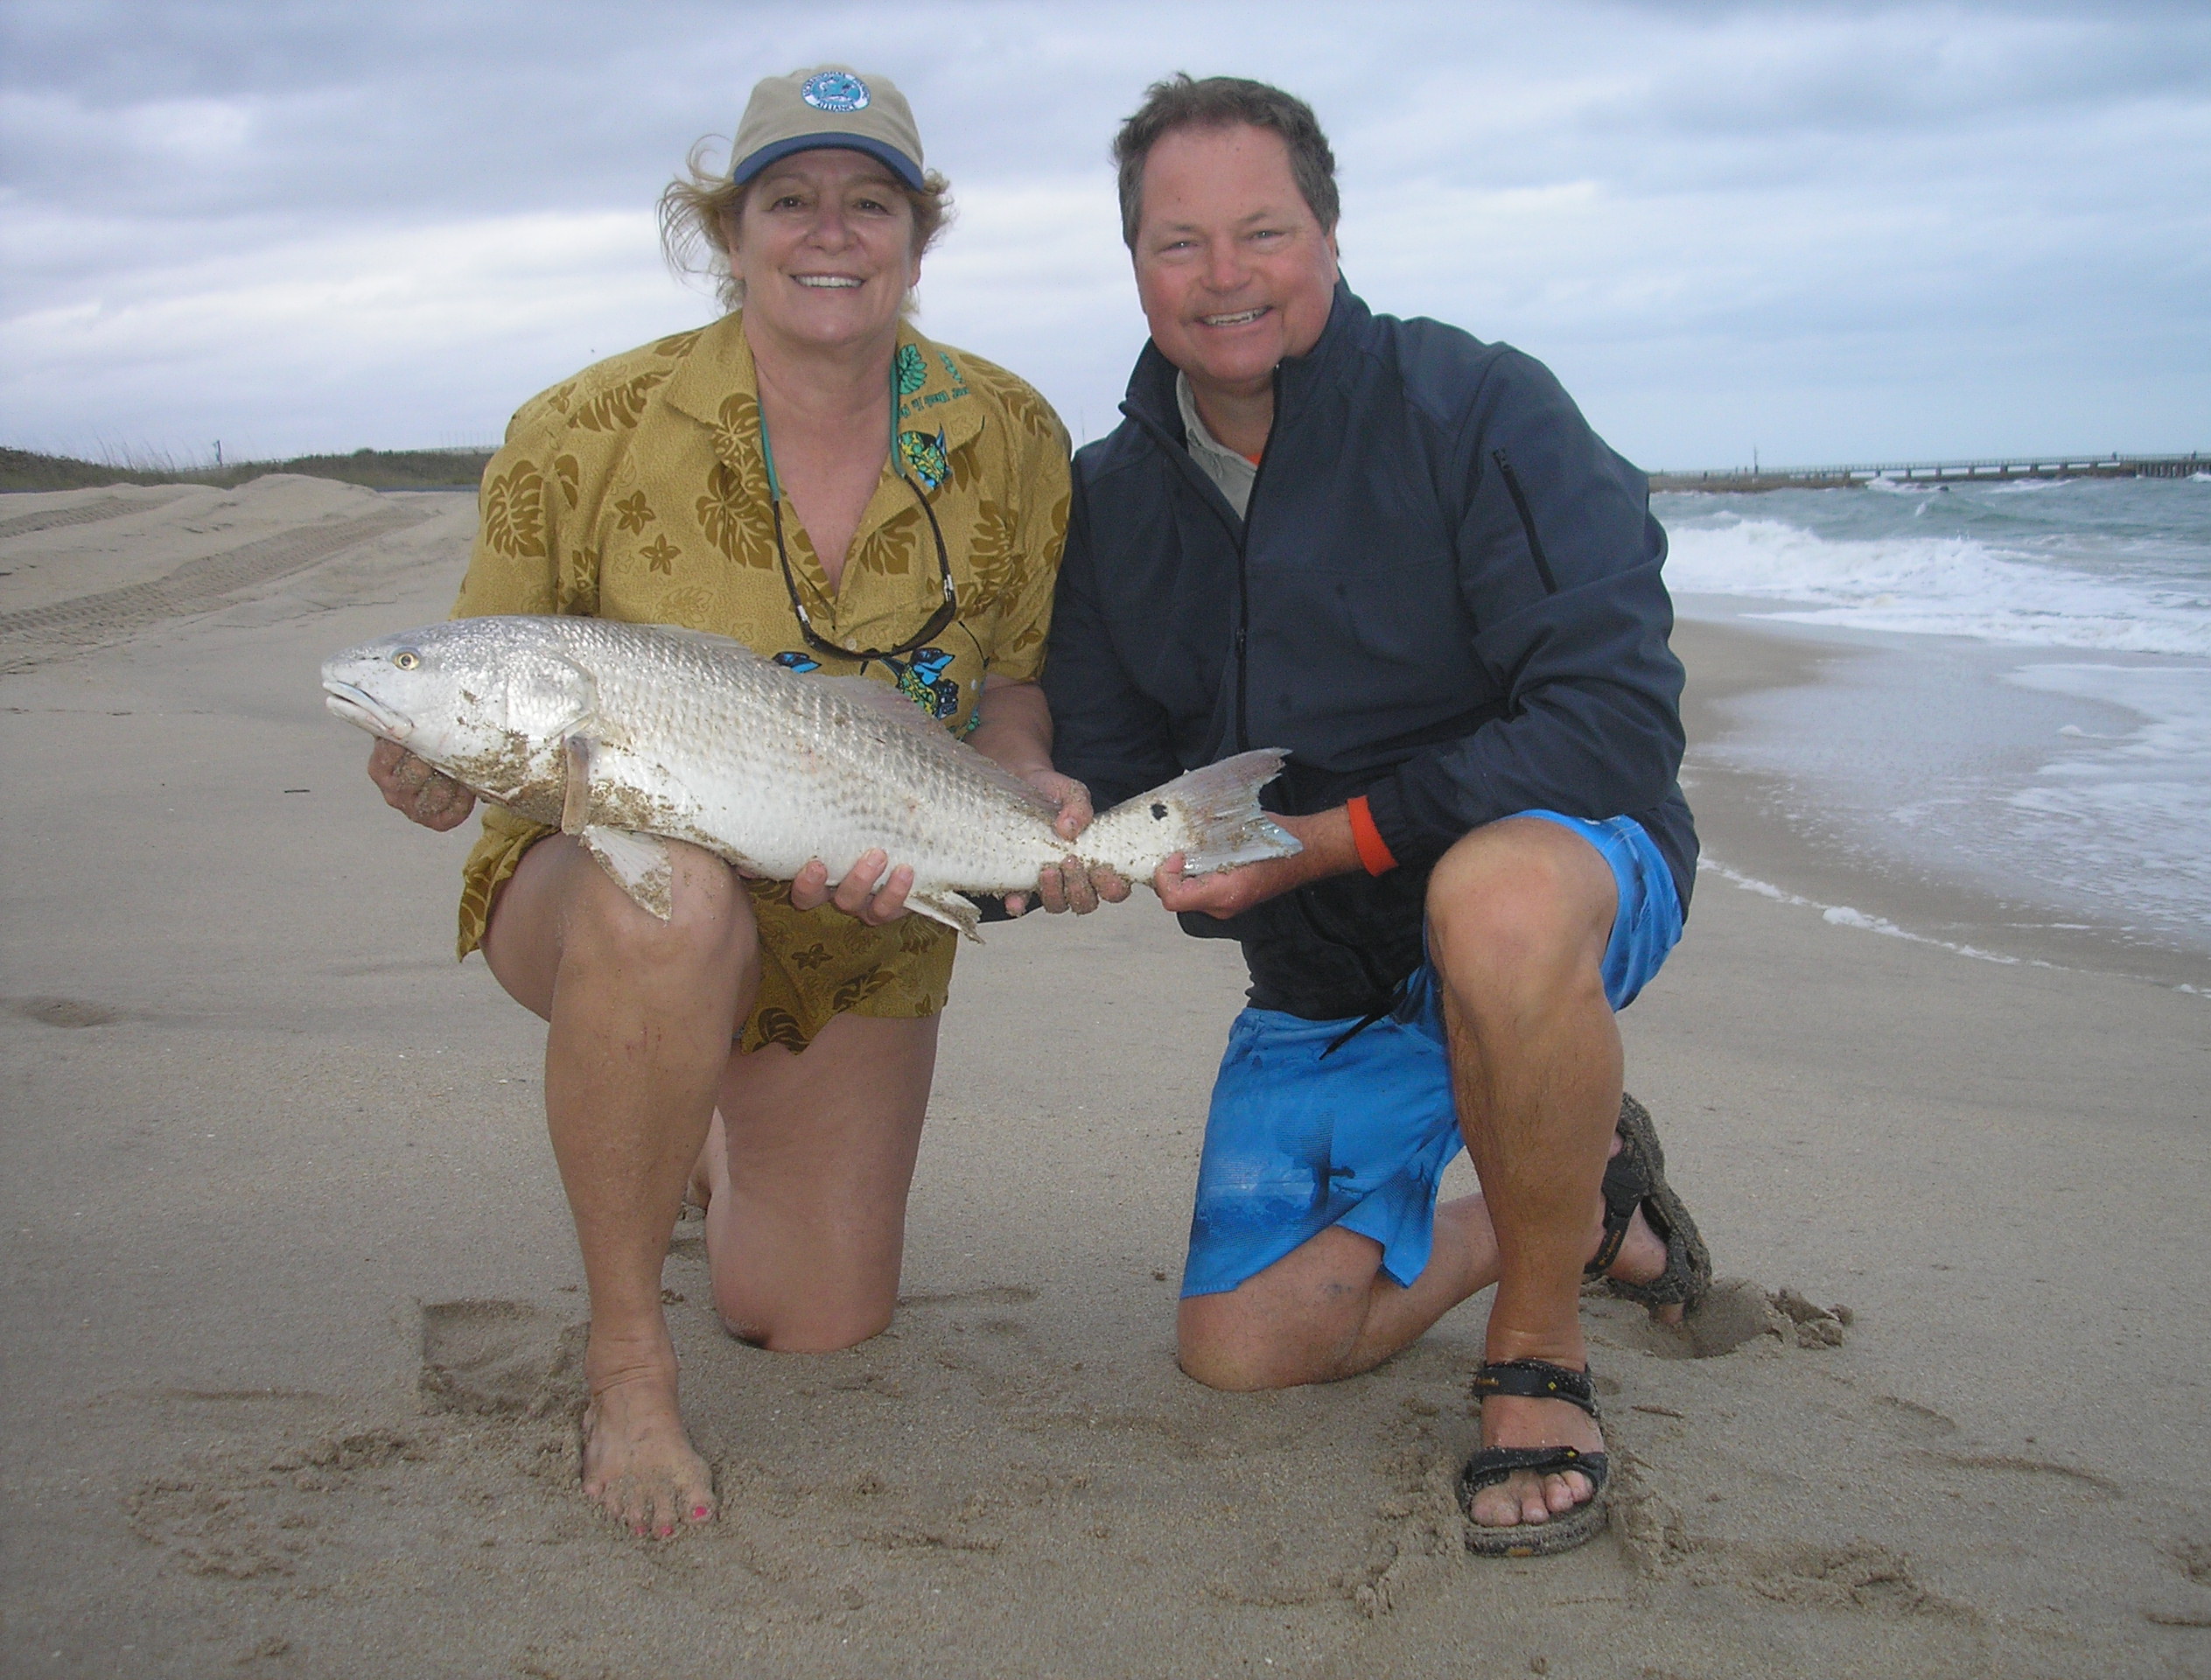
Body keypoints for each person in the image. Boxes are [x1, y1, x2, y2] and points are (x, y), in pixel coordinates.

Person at [366, 64, 1092, 1539]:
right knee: (672, 900)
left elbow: (1013, 683)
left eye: (868, 201)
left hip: (866, 905)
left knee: (810, 1312)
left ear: (915, 231)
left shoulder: (1013, 433)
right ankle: (628, 1364)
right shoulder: (580, 428)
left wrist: (1026, 784)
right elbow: (481, 679)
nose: (830, 232)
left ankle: (687, 1111)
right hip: (600, 893)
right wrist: (427, 761)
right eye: (790, 199)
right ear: (732, 226)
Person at [1042, 75, 1713, 1558]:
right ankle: (1576, 1204)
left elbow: (1614, 719)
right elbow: (1106, 770)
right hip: (1326, 971)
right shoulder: (1111, 500)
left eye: (1262, 232)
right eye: (1179, 244)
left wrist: (1327, 841)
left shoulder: (1476, 409)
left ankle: (1538, 1351)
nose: (1225, 278)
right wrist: (1034, 842)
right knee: (1246, 1348)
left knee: (1497, 902)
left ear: (1332, 236)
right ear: (1135, 265)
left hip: (1567, 878)